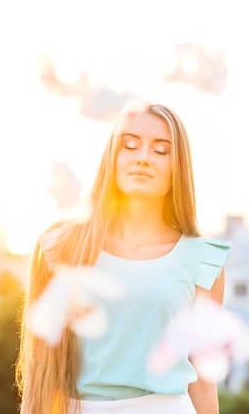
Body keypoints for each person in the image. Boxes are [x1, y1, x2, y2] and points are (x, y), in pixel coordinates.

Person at [15, 102, 231, 414]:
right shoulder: (61, 247)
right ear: (112, 157)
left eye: (161, 150)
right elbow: (40, 372)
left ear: (178, 167)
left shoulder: (204, 260)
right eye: (130, 145)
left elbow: (203, 382)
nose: (143, 158)